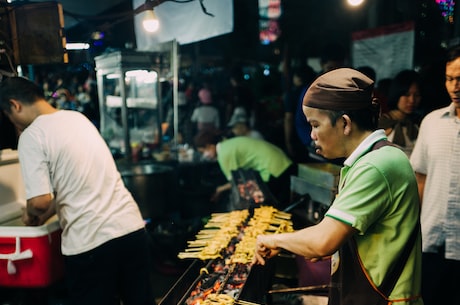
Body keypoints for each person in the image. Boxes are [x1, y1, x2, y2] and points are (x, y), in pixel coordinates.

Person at [253, 68, 423, 305]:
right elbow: (334, 235)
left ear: (344, 123)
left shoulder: (377, 165)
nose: (312, 135)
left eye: (315, 125)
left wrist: (272, 240)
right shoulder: (369, 160)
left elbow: (324, 240)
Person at [0, 77, 155, 305]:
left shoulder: (32, 136)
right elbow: (76, 185)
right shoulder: (77, 119)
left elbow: (40, 201)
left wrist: (30, 214)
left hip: (91, 242)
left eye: (9, 116)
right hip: (130, 229)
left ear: (15, 105)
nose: (13, 122)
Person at [410, 44, 460, 305]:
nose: (455, 86)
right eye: (450, 79)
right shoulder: (431, 123)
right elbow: (421, 177)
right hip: (432, 242)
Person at [193, 129, 295, 211]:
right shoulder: (227, 144)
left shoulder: (224, 153)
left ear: (209, 145)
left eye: (203, 152)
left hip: (273, 168)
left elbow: (235, 182)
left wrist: (220, 189)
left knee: (274, 208)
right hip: (281, 162)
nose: (205, 156)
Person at [378, 69, 422, 157]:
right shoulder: (382, 123)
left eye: (416, 95)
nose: (412, 100)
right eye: (406, 94)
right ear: (397, 94)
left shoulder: (419, 123)